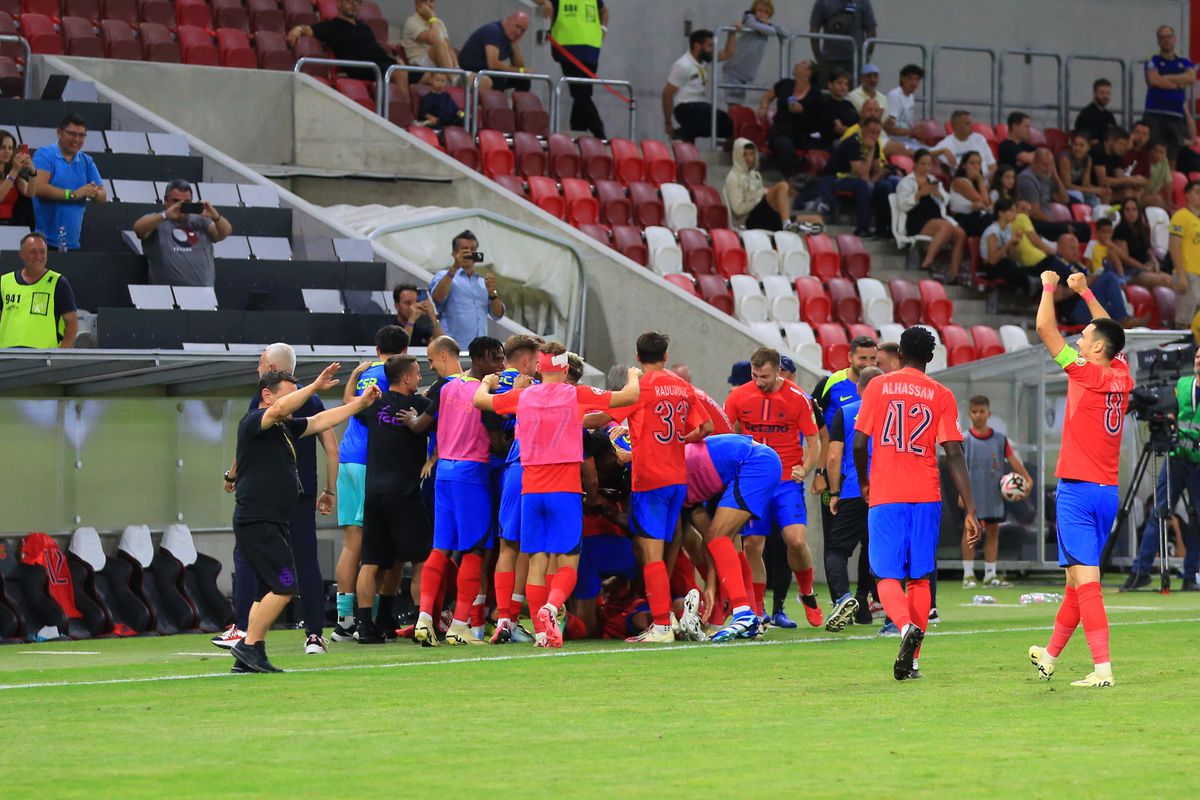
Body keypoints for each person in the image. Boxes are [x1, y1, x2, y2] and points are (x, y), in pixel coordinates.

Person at [476, 342, 639, 647]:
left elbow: (480, 400)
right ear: (565, 369)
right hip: (563, 490)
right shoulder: (575, 394)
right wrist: (633, 376)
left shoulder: (524, 395)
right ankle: (552, 607)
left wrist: (486, 383)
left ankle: (540, 632)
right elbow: (628, 397)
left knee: (535, 560)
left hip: (530, 490)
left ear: (539, 368)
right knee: (568, 560)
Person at [227, 363, 380, 673]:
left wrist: (360, 404)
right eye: (290, 396)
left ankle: (250, 652)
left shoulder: (284, 427)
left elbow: (322, 420)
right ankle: (249, 646)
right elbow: (280, 408)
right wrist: (314, 387)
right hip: (259, 522)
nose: (295, 403)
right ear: (267, 395)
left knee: (266, 589)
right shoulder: (255, 420)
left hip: (271, 523)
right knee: (286, 585)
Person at [852, 326, 980, 681]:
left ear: (899, 354)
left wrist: (864, 481)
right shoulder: (941, 394)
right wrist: (970, 509)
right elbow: (954, 453)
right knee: (920, 579)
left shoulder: (878, 386)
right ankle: (914, 660)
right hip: (926, 494)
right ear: (931, 357)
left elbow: (859, 444)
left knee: (885, 575)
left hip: (887, 494)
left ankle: (905, 626)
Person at [1027, 270, 1133, 688]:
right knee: (1074, 581)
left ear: (1097, 349)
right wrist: (1086, 292)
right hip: (1107, 492)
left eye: (1085, 337)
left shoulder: (1085, 372)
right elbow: (1111, 328)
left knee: (1086, 582)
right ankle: (1050, 656)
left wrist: (1048, 286)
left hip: (1077, 491)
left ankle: (1102, 669)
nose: (1079, 341)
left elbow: (1044, 327)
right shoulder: (1122, 375)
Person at [215, 342, 340, 655]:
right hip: (302, 493)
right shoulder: (312, 399)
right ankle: (314, 634)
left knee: (248, 557)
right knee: (305, 559)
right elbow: (331, 446)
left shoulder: (266, 399)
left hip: (269, 497)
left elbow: (245, 445)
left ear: (271, 369)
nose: (258, 366)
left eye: (261, 361)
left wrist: (232, 475)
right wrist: (330, 489)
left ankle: (243, 629)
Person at [593, 331, 712, 643]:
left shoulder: (640, 387)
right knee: (665, 551)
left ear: (637, 357)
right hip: (677, 480)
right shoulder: (682, 385)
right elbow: (706, 427)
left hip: (650, 481)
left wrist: (567, 417)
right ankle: (667, 617)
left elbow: (605, 416)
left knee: (651, 553)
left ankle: (661, 625)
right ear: (666, 356)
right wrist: (677, 442)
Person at [408, 335, 507, 646]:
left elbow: (425, 424)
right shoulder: (486, 394)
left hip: (445, 474)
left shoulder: (447, 387)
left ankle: (425, 618)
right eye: (495, 358)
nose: (501, 364)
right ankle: (460, 625)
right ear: (477, 360)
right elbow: (497, 444)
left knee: (441, 548)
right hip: (471, 474)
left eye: (502, 358)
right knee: (474, 550)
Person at [725, 347, 824, 628]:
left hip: (786, 481)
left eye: (765, 376)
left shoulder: (798, 398)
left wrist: (806, 468)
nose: (759, 381)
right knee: (752, 544)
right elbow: (726, 433)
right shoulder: (738, 396)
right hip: (754, 482)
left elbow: (814, 442)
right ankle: (757, 611)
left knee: (796, 540)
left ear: (779, 371)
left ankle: (806, 591)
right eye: (755, 375)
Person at [329, 325, 409, 641]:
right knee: (374, 547)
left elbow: (351, 402)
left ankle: (345, 619)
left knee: (351, 543)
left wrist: (351, 378)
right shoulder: (394, 373)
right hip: (370, 462)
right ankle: (368, 618)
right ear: (405, 351)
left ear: (377, 349)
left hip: (348, 458)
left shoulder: (366, 372)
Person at [351, 355, 431, 643]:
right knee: (422, 558)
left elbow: (349, 400)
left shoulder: (374, 403)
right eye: (417, 373)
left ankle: (368, 624)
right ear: (406, 377)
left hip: (374, 493)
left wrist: (354, 376)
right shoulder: (420, 405)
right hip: (404, 493)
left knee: (373, 560)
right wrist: (432, 458)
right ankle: (422, 621)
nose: (420, 378)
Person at [683, 433, 783, 641]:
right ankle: (752, 617)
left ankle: (743, 612)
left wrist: (711, 586)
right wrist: (711, 586)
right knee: (720, 540)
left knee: (719, 537)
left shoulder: (675, 479)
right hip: (754, 464)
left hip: (755, 463)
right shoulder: (686, 481)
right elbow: (708, 542)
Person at [1121, 347, 1200, 591]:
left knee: (1198, 520)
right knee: (1158, 513)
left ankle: (1191, 575)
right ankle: (1141, 572)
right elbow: (1169, 410)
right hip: (1175, 457)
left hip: (1198, 463)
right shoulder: (1183, 384)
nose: (1199, 360)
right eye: (1198, 356)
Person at [823, 365, 882, 631]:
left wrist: (834, 492)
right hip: (886, 492)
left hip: (854, 490)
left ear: (858, 388)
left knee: (837, 550)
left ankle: (843, 598)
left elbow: (834, 457)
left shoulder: (846, 412)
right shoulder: (893, 414)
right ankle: (864, 605)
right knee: (872, 550)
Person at [962, 395, 1033, 588]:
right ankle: (968, 575)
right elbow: (958, 467)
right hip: (972, 494)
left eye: (982, 411)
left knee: (993, 531)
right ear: (969, 414)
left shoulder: (1000, 439)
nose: (978, 415)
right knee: (970, 531)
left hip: (993, 494)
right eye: (974, 412)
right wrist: (961, 493)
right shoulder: (965, 440)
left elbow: (1013, 460)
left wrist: (1027, 478)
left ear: (989, 413)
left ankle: (990, 575)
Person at [133, 178, 233, 287]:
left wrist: (216, 216)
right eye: (176, 201)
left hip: (203, 292)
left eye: (187, 202)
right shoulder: (157, 220)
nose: (180, 206)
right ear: (166, 201)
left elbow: (225, 232)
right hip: (167, 293)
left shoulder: (201, 221)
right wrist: (165, 215)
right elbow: (138, 229)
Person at [286, 0, 407, 89]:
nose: (354, 4)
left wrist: (395, 59)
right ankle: (406, 114)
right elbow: (308, 29)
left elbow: (375, 50)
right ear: (339, 3)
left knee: (417, 74)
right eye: (350, 1)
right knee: (399, 72)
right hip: (362, 67)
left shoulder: (364, 27)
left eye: (357, 1)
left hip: (381, 64)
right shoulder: (332, 27)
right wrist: (298, 29)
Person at [32, 114, 107, 251]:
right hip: (43, 242)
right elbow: (38, 187)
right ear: (59, 133)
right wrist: (72, 194)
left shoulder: (87, 161)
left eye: (81, 135)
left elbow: (103, 195)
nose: (76, 140)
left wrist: (94, 193)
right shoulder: (45, 154)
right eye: (72, 134)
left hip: (72, 243)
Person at [538, 0, 609, 139]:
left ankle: (579, 132)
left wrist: (603, 29)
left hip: (591, 50)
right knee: (581, 94)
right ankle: (599, 134)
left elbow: (604, 11)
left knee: (582, 95)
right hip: (569, 49)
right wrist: (546, 2)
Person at [813, 115, 889, 236]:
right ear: (863, 129)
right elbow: (862, 173)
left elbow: (877, 170)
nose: (874, 136)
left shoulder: (874, 144)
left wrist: (874, 179)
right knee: (863, 185)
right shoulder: (852, 143)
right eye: (872, 132)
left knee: (885, 186)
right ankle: (862, 228)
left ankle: (882, 229)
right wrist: (870, 151)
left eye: (877, 133)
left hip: (854, 179)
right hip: (834, 178)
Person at [896, 149, 966, 282]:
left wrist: (939, 195)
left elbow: (946, 199)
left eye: (929, 164)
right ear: (915, 164)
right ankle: (927, 261)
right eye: (923, 164)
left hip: (936, 217)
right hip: (918, 219)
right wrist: (919, 194)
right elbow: (903, 205)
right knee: (945, 227)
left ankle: (954, 273)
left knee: (960, 233)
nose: (926, 167)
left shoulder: (933, 180)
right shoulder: (906, 182)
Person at [0, 231, 78, 349]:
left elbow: (72, 323)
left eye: (42, 252)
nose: (38, 256)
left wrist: (61, 355)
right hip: (8, 355)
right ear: (22, 254)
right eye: (33, 252)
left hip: (44, 356)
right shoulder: (4, 282)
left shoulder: (58, 283)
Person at [429, 230, 505, 346]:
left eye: (473, 249)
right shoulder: (444, 276)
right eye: (465, 249)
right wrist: (455, 267)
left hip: (479, 349)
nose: (469, 252)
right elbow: (437, 298)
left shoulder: (482, 282)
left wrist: (492, 292)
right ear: (454, 253)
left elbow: (497, 315)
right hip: (452, 347)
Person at [663, 28, 739, 143]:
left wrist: (732, 33)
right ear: (697, 46)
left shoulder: (704, 59)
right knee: (710, 116)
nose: (712, 49)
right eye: (710, 46)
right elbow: (667, 94)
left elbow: (728, 53)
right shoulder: (683, 66)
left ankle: (686, 134)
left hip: (701, 106)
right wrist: (668, 123)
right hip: (684, 107)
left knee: (727, 124)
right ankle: (683, 133)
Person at [1044, 233, 1132, 327]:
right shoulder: (1056, 265)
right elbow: (1055, 296)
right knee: (1109, 277)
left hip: (1088, 303)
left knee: (1115, 306)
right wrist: (1083, 283)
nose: (1076, 252)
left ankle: (1129, 321)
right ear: (1060, 248)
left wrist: (1094, 278)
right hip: (1075, 311)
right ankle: (1124, 319)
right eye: (1072, 248)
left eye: (1077, 248)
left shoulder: (1077, 264)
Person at [725, 138, 805, 232]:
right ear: (738, 155)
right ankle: (787, 224)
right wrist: (758, 198)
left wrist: (764, 193)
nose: (749, 159)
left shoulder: (755, 174)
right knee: (782, 186)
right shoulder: (733, 178)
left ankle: (788, 224)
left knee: (815, 219)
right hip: (750, 220)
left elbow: (760, 194)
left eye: (751, 154)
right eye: (745, 155)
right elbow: (738, 210)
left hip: (766, 215)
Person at [759, 60, 824, 177]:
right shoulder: (785, 84)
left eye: (802, 63)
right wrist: (763, 108)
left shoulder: (815, 93)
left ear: (809, 72)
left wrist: (802, 110)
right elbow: (767, 96)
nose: (797, 63)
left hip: (803, 131)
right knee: (784, 145)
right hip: (781, 129)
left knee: (823, 142)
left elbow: (817, 116)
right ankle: (787, 178)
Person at [1017, 147, 1091, 243]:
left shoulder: (1047, 175)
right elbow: (1035, 212)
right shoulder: (1027, 179)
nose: (1048, 168)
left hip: (1049, 221)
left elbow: (1064, 199)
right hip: (1036, 223)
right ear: (1035, 162)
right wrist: (1055, 224)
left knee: (1085, 228)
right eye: (1045, 164)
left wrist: (1056, 177)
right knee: (1070, 230)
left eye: (1050, 164)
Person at [722, 0, 788, 106]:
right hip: (734, 68)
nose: (762, 13)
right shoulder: (749, 18)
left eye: (766, 12)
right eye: (759, 10)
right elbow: (768, 30)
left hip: (745, 71)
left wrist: (771, 24)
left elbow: (786, 33)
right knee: (733, 102)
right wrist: (770, 26)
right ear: (754, 10)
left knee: (739, 103)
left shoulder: (767, 25)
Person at [1144, 25, 1195, 160]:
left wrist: (1165, 77)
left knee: (1173, 155)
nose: (1166, 40)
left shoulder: (1184, 62)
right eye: (1162, 37)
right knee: (1153, 154)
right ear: (1158, 41)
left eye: (1168, 36)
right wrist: (1178, 84)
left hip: (1176, 116)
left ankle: (1170, 175)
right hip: (1154, 114)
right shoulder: (1152, 59)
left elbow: (1191, 77)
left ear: (1174, 39)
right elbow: (1154, 80)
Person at [458, 13, 532, 93]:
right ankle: (494, 101)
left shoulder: (509, 38)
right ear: (508, 20)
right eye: (517, 26)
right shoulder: (493, 31)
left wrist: (515, 46)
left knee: (524, 80)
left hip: (486, 71)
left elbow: (520, 66)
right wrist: (520, 71)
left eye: (522, 31)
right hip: (470, 71)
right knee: (499, 78)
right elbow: (493, 64)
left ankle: (515, 101)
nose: (518, 32)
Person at [809, 0, 876, 83]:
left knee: (855, 90)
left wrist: (866, 57)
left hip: (855, 60)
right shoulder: (823, 2)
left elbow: (871, 31)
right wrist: (819, 58)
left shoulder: (863, 2)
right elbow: (814, 30)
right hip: (829, 60)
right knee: (828, 89)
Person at [1111, 198, 1172, 288]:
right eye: (1127, 210)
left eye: (1134, 209)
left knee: (1174, 281)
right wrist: (1143, 267)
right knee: (1165, 281)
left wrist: (1155, 262)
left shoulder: (1142, 229)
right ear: (1123, 212)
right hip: (1132, 272)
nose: (1131, 213)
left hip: (1146, 267)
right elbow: (1125, 259)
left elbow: (1148, 250)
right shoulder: (1120, 231)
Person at [979, 199, 1034, 293]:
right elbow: (992, 260)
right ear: (1001, 213)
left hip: (1004, 263)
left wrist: (1013, 244)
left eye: (1015, 211)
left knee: (1027, 270)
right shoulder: (993, 232)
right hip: (992, 267)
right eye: (1011, 211)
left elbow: (1010, 255)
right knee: (1019, 274)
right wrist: (1008, 243)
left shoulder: (1008, 228)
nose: (1015, 214)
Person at [400, 0, 459, 85]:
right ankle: (453, 79)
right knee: (439, 44)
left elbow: (449, 48)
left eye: (431, 1)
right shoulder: (411, 22)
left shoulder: (439, 22)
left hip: (440, 63)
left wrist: (458, 69)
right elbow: (433, 39)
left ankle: (457, 76)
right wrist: (432, 17)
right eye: (424, 1)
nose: (428, 4)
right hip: (419, 65)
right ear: (417, 4)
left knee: (478, 79)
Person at [1170, 180, 1200, 330]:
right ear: (1187, 195)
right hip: (1187, 274)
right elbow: (1174, 246)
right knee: (1184, 320)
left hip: (1198, 274)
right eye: (1198, 192)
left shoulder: (1197, 219)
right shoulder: (1181, 216)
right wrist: (1181, 275)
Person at [933, 110, 995, 175]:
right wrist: (943, 151)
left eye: (971, 123)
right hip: (965, 179)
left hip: (986, 178)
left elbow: (992, 164)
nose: (971, 126)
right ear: (956, 126)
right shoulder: (947, 143)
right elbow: (927, 154)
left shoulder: (980, 138)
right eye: (967, 123)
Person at [1091, 126, 1146, 200]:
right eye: (1121, 144)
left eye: (1125, 145)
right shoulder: (1098, 151)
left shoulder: (1116, 154)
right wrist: (1131, 180)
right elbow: (1103, 181)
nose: (1123, 148)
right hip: (1093, 190)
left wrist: (1136, 182)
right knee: (1128, 194)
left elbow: (1119, 177)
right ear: (1111, 140)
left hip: (1109, 190)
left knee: (1132, 191)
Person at [947, 150, 993, 238]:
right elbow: (985, 202)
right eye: (972, 163)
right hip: (963, 219)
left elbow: (989, 204)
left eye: (979, 163)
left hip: (977, 217)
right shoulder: (959, 181)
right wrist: (980, 179)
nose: (976, 166)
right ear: (964, 166)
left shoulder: (979, 185)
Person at [1057, 132, 1108, 208]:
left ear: (1088, 147)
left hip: (1075, 189)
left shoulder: (1088, 159)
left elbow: (1085, 184)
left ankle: (1101, 214)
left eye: (1081, 145)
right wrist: (1093, 190)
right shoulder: (1065, 158)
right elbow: (1067, 185)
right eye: (1075, 144)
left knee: (1097, 198)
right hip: (1060, 189)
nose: (1077, 148)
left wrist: (1101, 190)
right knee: (1078, 195)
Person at [813, 69, 859, 150]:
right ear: (830, 85)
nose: (843, 87)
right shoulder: (824, 103)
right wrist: (851, 130)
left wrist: (847, 130)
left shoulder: (848, 105)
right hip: (831, 143)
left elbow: (858, 126)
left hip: (851, 141)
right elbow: (836, 129)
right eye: (839, 83)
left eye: (846, 84)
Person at [885, 63, 925, 151]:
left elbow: (907, 125)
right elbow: (889, 129)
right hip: (894, 142)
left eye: (917, 79)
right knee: (926, 153)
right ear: (902, 78)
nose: (914, 83)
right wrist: (912, 131)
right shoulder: (895, 95)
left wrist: (916, 133)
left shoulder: (911, 96)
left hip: (907, 140)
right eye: (911, 78)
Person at [0, 130, 36, 228]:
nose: (7, 151)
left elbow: (30, 193)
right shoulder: (13, 172)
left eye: (10, 148)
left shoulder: (14, 175)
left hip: (10, 226)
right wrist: (14, 171)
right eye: (2, 147)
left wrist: (32, 172)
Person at [392, 283, 442, 347]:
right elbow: (400, 348)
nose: (413, 306)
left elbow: (442, 346)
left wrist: (433, 317)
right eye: (407, 303)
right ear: (397, 306)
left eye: (416, 302)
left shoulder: (422, 329)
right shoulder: (391, 330)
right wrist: (411, 320)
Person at [1074, 78, 1118, 145]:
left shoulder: (1109, 115)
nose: (1105, 96)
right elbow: (1090, 141)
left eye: (1108, 93)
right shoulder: (1086, 114)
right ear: (1094, 93)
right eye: (1102, 93)